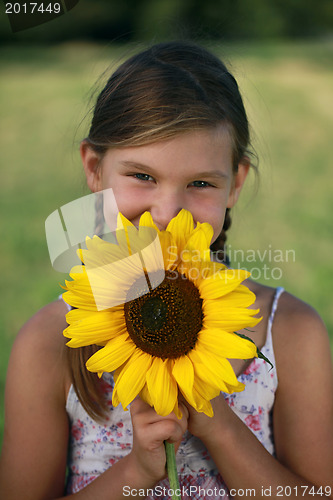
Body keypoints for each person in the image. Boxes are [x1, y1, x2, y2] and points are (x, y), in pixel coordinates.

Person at [0, 41, 332, 500]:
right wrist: (136, 472)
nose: (167, 213)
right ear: (95, 170)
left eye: (200, 183)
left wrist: (220, 426)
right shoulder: (49, 343)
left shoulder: (290, 333)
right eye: (142, 176)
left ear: (234, 184)